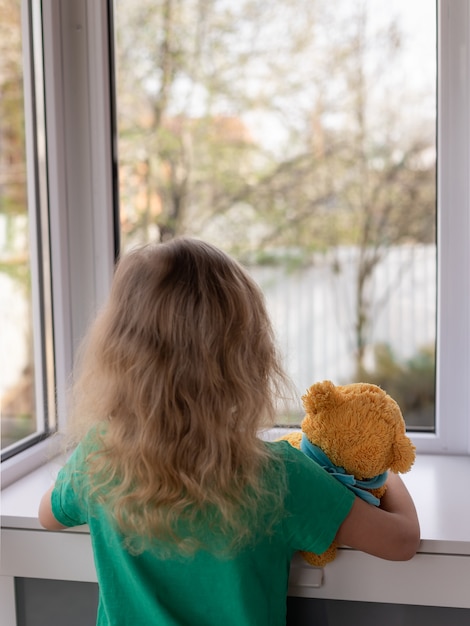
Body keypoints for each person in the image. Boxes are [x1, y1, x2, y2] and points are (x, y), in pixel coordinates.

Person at [39, 237, 420, 626]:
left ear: (119, 352)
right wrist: (383, 471)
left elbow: (47, 515)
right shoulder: (278, 476)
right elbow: (401, 541)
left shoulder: (98, 455)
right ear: (247, 358)